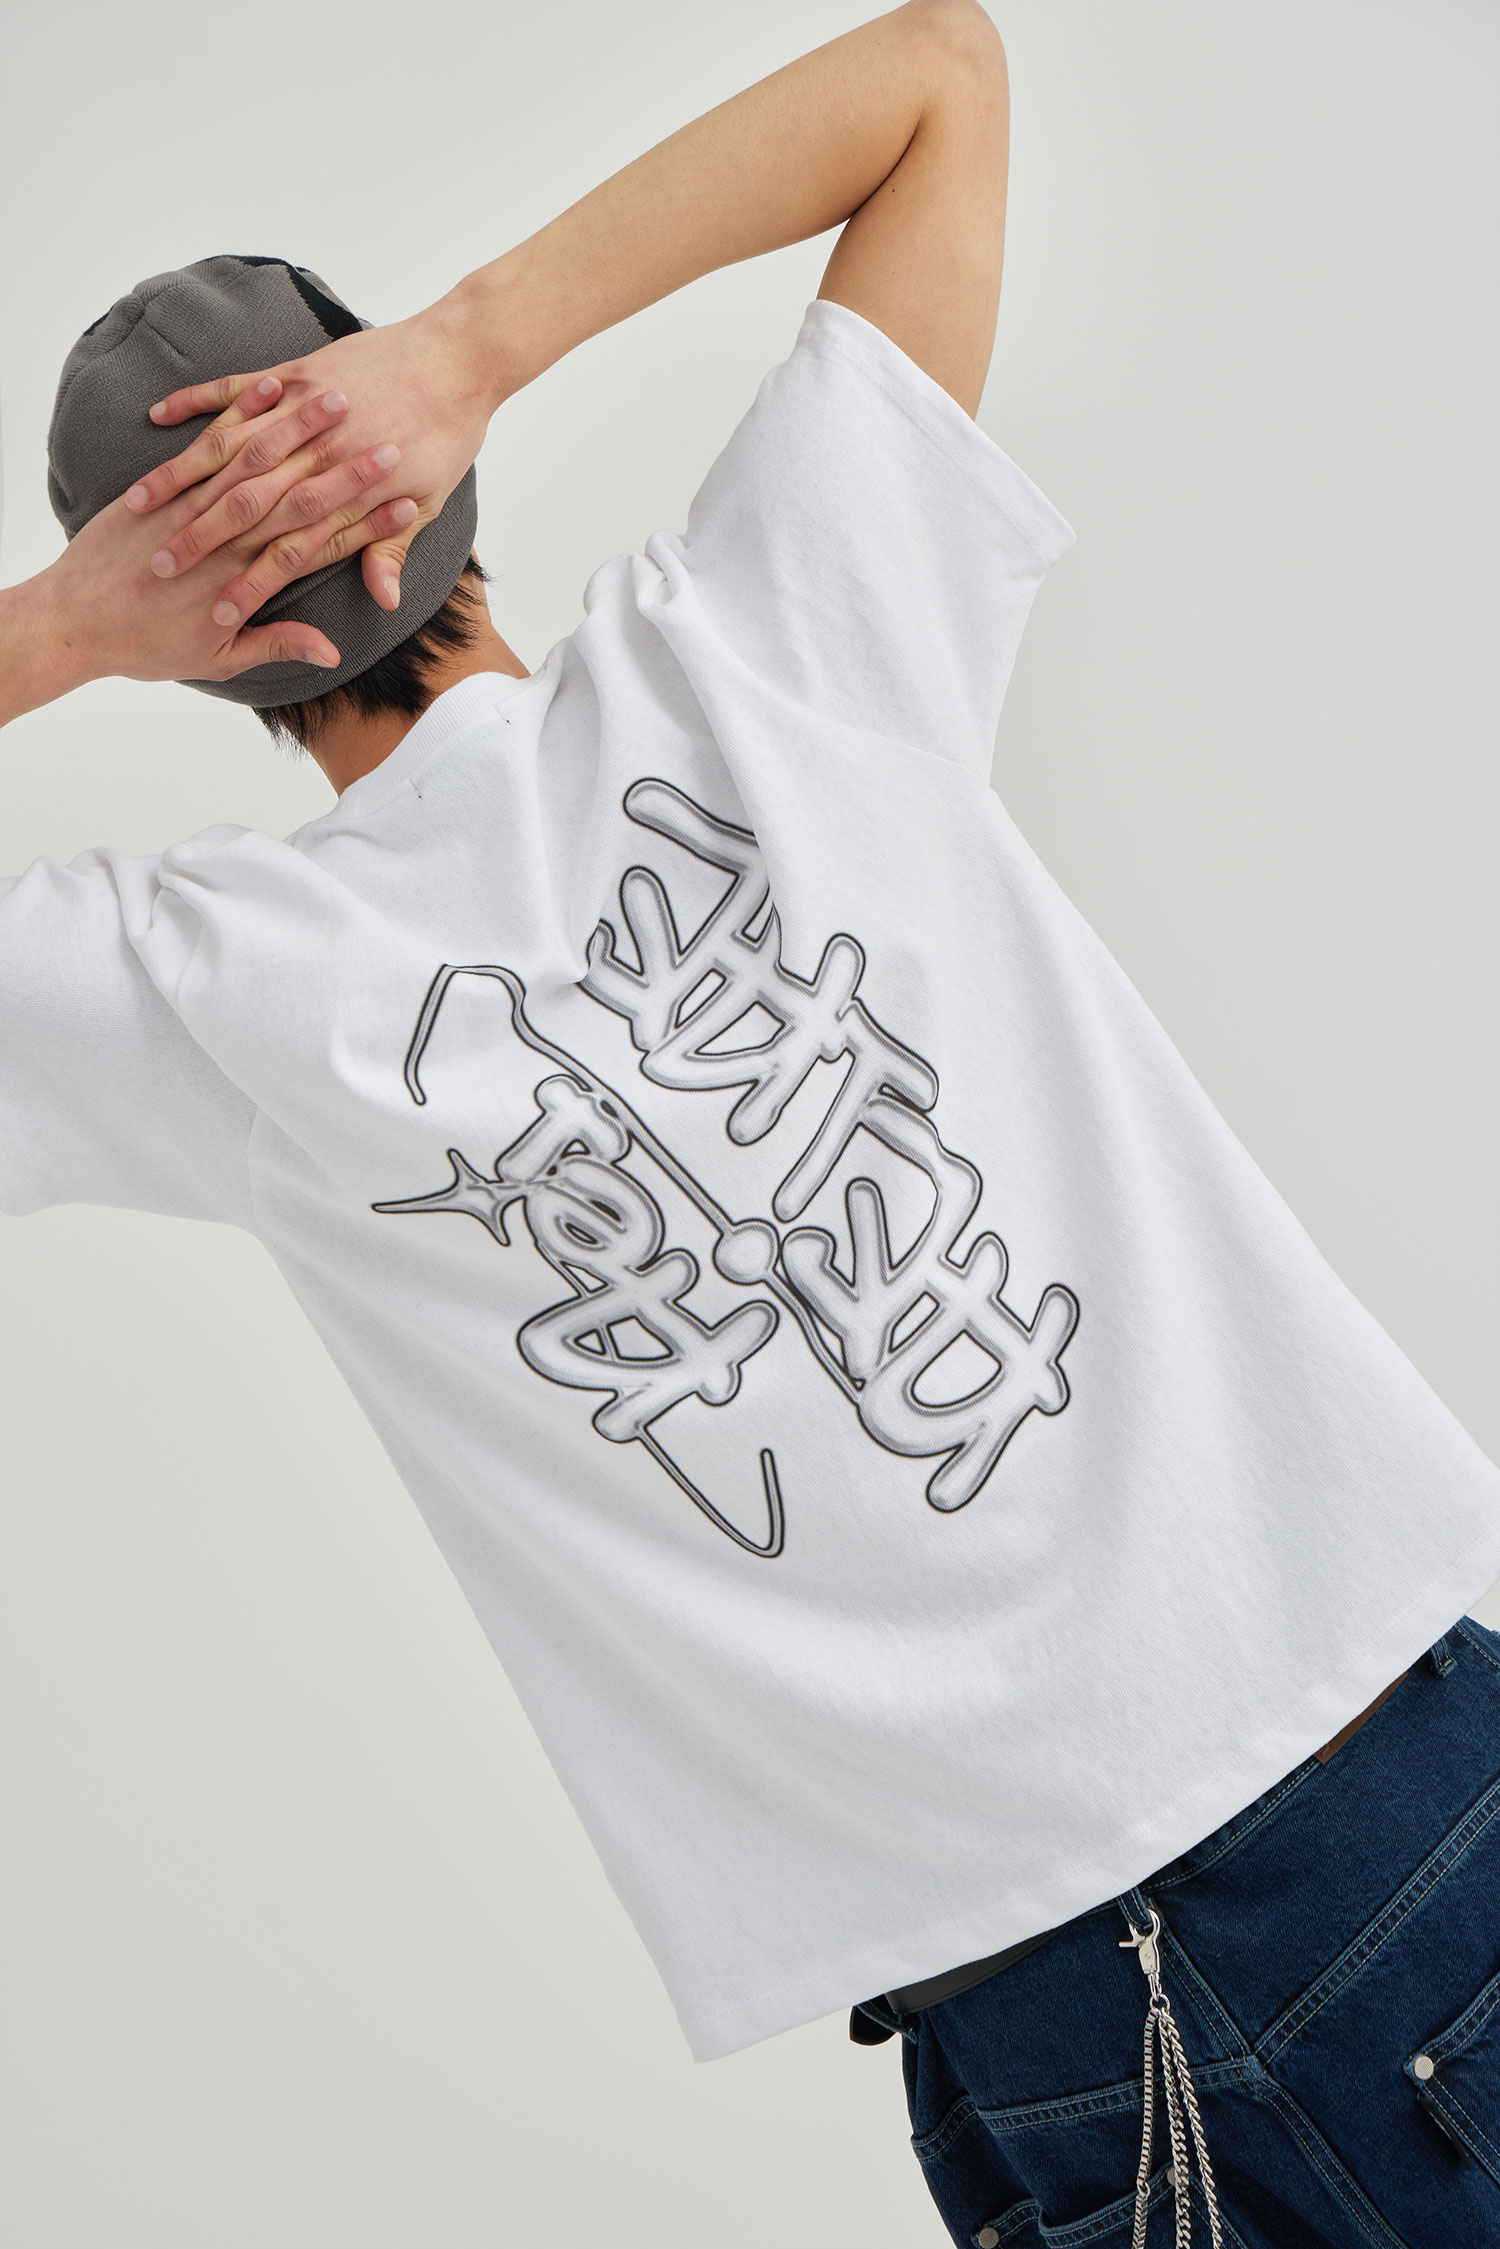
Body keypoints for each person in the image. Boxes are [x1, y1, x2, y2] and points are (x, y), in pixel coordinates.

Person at [4, 5, 1498, 2242]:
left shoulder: (206, 998)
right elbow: (941, 78)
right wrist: (471, 349)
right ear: (441, 498)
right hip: (1393, 1771)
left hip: (1048, 2013)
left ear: (210, 658)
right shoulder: (777, 642)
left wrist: (53, 632)